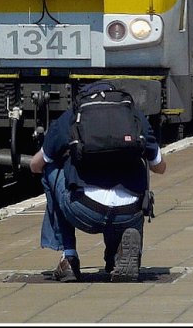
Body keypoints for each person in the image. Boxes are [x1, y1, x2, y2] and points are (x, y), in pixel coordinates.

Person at [29, 83, 167, 283]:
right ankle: (117, 256)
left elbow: (36, 164)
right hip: (130, 213)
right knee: (132, 186)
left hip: (84, 210)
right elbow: (160, 167)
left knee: (50, 169)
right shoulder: (135, 116)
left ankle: (68, 257)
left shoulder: (71, 117)